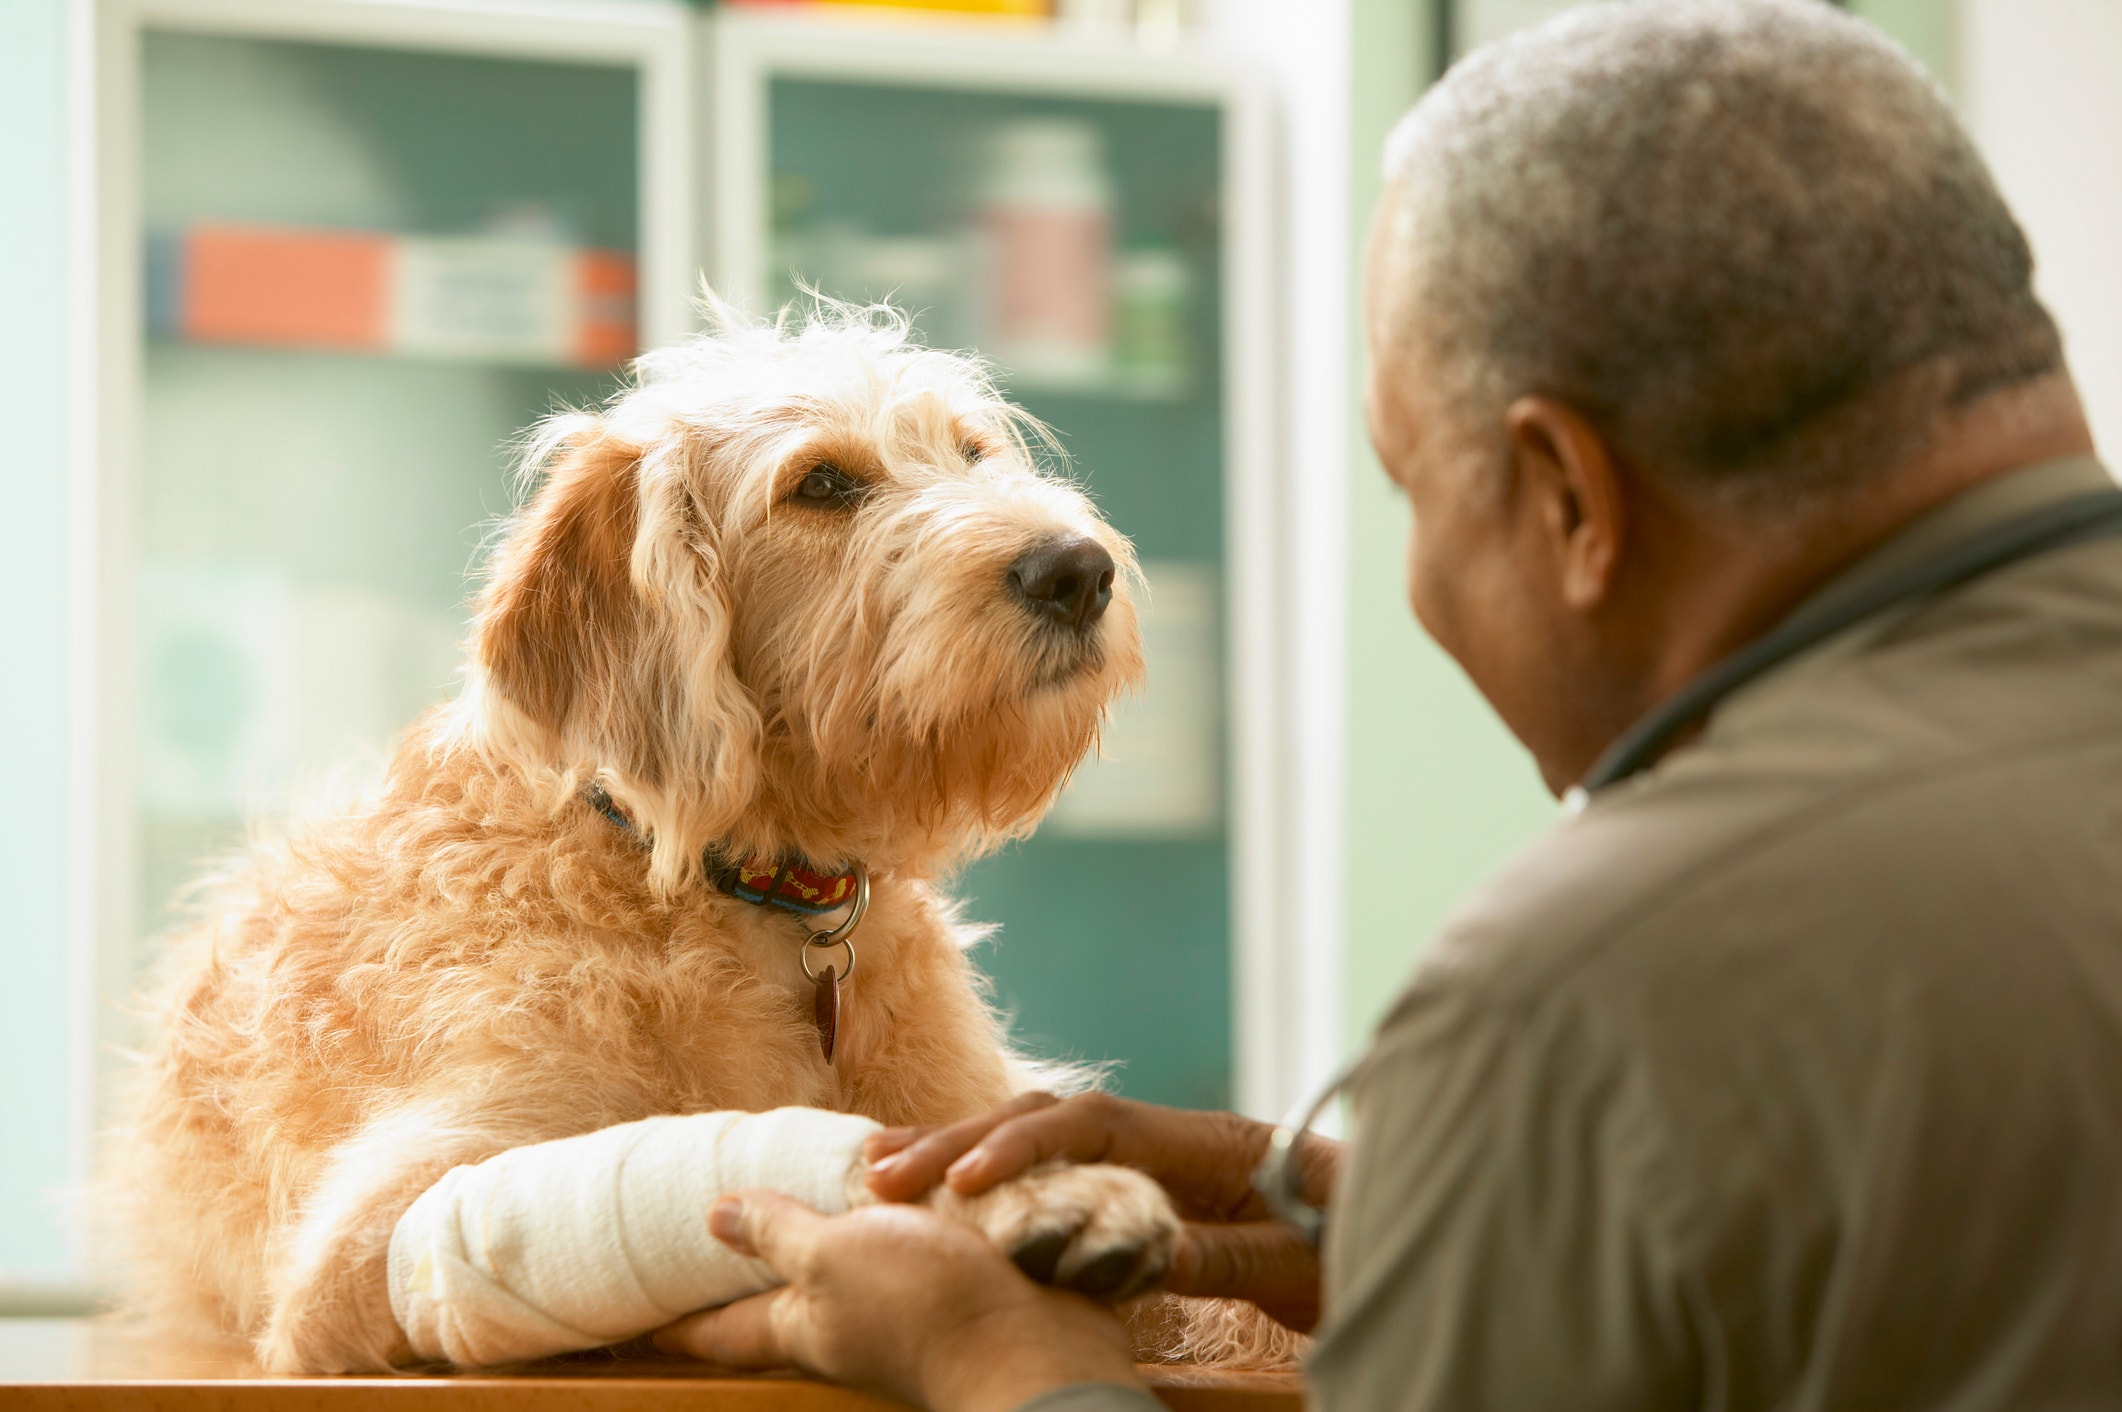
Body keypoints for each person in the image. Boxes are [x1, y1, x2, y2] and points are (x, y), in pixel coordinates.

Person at [654, 1, 2122, 1407]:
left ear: (1567, 502)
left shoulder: (1584, 994)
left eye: (1410, 489)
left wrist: (1000, 1362)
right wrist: (1470, 1228)